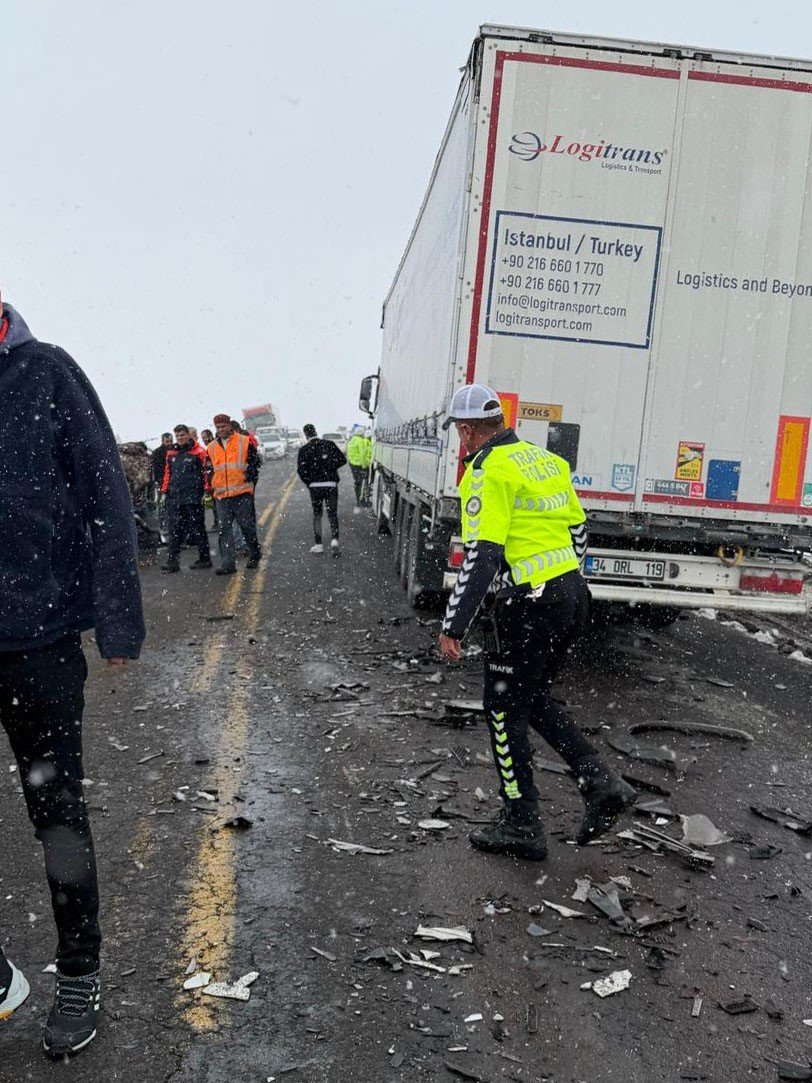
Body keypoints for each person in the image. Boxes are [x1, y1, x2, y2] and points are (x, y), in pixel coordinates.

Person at [0, 298, 145, 1056]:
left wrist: (116, 619)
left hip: (38, 641)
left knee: (55, 814)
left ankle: (80, 970)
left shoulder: (46, 373)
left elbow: (104, 495)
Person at [438, 384, 635, 861]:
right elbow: (578, 530)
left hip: (528, 602)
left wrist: (453, 625)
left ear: (467, 431)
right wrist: (567, 582)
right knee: (530, 698)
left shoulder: (486, 472)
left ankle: (522, 823)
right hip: (569, 594)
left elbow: (483, 555)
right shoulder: (546, 462)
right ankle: (600, 782)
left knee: (503, 708)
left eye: (460, 434)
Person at [207, 414, 261, 575]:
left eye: (223, 426)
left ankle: (255, 553)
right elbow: (209, 469)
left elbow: (254, 462)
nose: (221, 430)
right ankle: (228, 563)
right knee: (225, 530)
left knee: (246, 526)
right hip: (222, 495)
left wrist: (250, 476)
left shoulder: (244, 442)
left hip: (242, 492)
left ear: (229, 426)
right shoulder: (211, 447)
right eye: (218, 427)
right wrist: (211, 485)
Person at [160, 424, 212, 572]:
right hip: (175, 497)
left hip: (193, 497)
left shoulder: (199, 452)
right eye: (177, 436)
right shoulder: (171, 454)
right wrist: (164, 491)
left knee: (198, 528)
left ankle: (204, 558)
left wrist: (207, 491)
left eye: (182, 435)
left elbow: (206, 473)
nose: (180, 438)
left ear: (188, 435)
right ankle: (173, 562)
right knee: (175, 530)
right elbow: (167, 473)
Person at [297, 424, 346, 554]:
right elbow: (342, 460)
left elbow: (301, 471)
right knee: (332, 513)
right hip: (330, 484)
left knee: (317, 515)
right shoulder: (329, 444)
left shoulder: (304, 450)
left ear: (306, 435)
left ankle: (318, 544)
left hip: (315, 486)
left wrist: (309, 482)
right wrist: (330, 467)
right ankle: (335, 540)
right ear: (316, 431)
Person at [346, 427, 370, 513]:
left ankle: (358, 500)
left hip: (353, 465)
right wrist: (365, 466)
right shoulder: (360, 441)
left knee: (357, 483)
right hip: (360, 465)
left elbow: (348, 453)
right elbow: (363, 454)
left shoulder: (352, 440)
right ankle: (361, 501)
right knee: (362, 483)